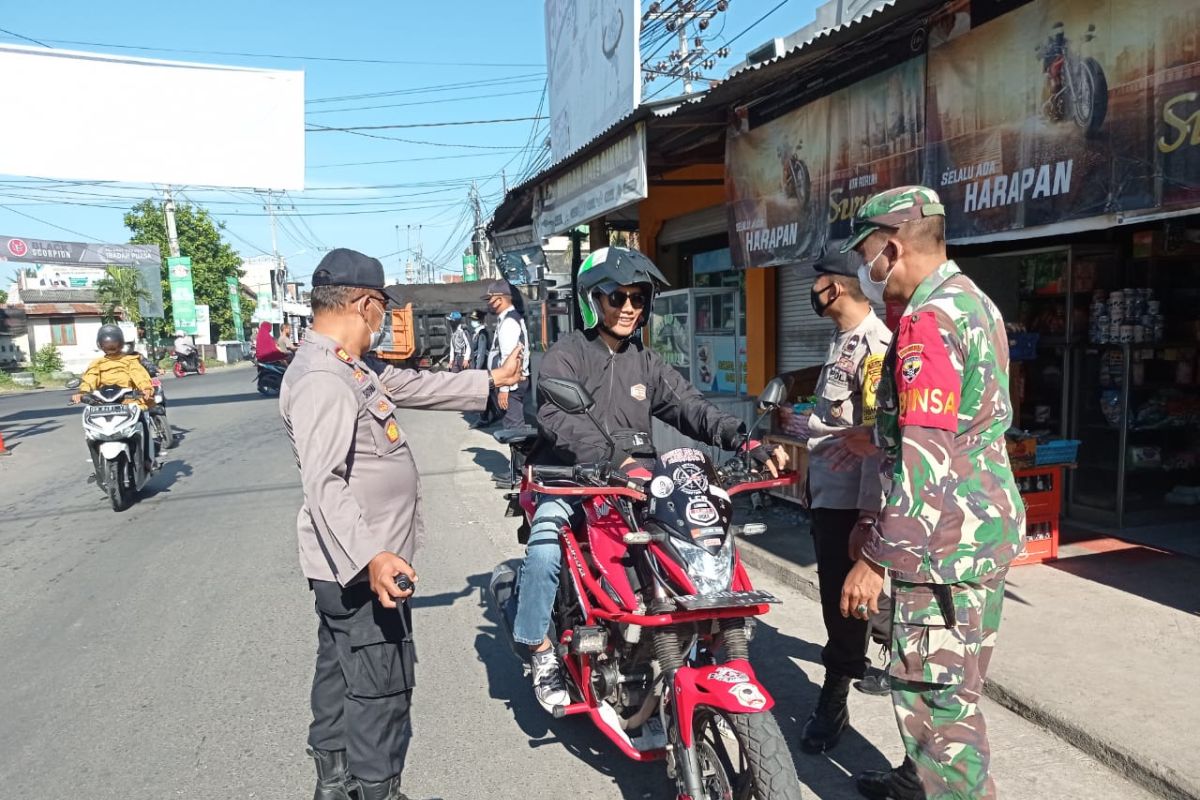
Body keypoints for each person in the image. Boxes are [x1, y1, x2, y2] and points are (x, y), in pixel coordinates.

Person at [280, 248, 524, 800]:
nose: (386, 321)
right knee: (380, 689)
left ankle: (335, 782)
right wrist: (373, 556)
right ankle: (375, 789)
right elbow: (325, 483)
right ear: (366, 304)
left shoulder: (346, 363)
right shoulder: (324, 377)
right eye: (384, 309)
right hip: (364, 567)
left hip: (356, 563)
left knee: (341, 672)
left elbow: (410, 386)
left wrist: (489, 381)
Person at [513, 246, 789, 712]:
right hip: (574, 479)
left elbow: (690, 406)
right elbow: (561, 421)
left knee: (698, 536)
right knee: (544, 549)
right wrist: (613, 459)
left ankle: (692, 632)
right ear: (592, 300)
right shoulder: (565, 357)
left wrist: (746, 441)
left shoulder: (647, 362)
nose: (627, 308)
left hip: (639, 481)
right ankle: (539, 650)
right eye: (615, 296)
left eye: (637, 298)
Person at [836, 187, 1024, 800]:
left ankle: (943, 786)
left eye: (866, 254)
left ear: (891, 248)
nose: (864, 270)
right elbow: (972, 415)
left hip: (941, 545)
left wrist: (873, 559)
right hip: (981, 530)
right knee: (952, 689)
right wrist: (880, 432)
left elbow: (926, 456)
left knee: (938, 707)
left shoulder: (925, 320)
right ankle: (917, 782)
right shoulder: (975, 303)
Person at [793, 246, 892, 755]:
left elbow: (879, 442)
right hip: (829, 494)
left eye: (816, 283)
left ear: (834, 287)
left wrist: (870, 517)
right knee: (841, 594)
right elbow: (833, 423)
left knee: (844, 603)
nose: (810, 292)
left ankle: (834, 696)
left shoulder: (875, 346)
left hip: (854, 503)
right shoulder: (842, 340)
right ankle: (889, 629)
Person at [73, 324, 157, 469]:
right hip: (104, 404)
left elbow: (139, 376)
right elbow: (90, 379)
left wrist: (145, 388)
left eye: (114, 343)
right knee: (91, 432)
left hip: (129, 401)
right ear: (100, 345)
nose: (111, 347)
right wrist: (82, 393)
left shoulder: (130, 361)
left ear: (121, 343)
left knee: (143, 421)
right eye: (107, 344)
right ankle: (98, 462)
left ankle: (148, 460)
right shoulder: (97, 364)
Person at [484, 281, 531, 429]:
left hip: (511, 384)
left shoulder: (509, 322)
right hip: (512, 382)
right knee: (512, 425)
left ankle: (519, 452)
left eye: (489, 300)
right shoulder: (509, 318)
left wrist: (504, 389)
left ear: (500, 299)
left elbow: (508, 356)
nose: (488, 304)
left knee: (514, 428)